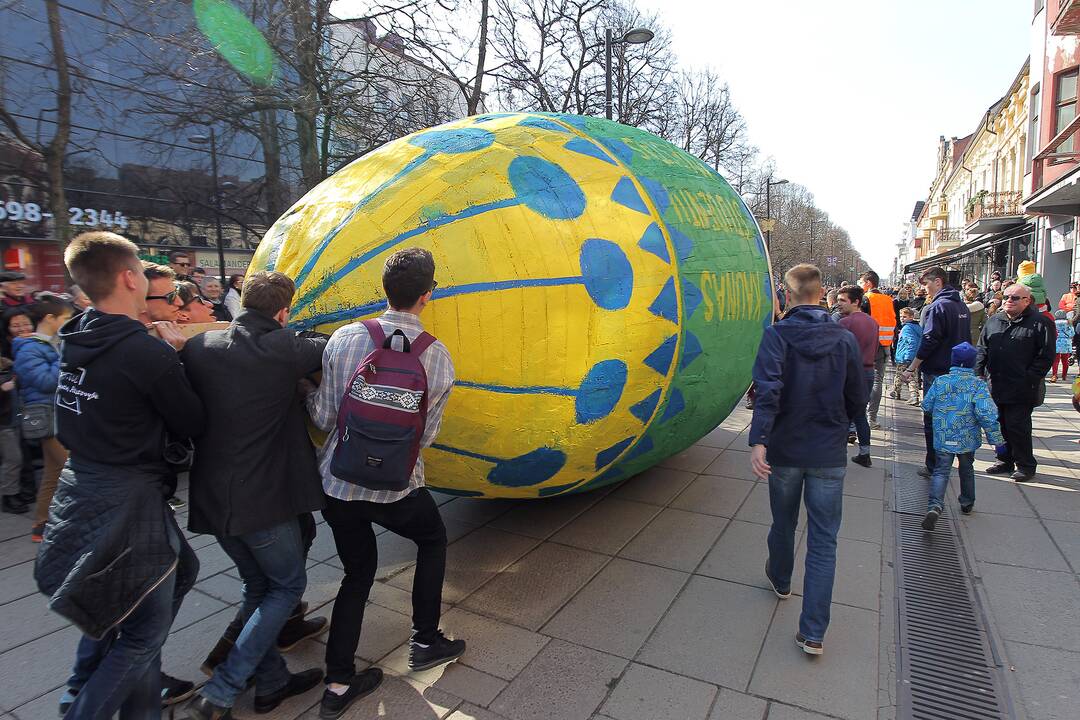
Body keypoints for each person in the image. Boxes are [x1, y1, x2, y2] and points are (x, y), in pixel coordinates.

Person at [34, 231, 204, 719]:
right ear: (130, 278)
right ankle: (82, 710)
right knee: (142, 633)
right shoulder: (145, 353)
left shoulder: (79, 334)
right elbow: (193, 422)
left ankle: (122, 703)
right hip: (126, 498)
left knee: (173, 577)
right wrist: (176, 359)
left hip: (85, 481)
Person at [308, 248, 462, 717]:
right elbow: (426, 436)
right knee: (432, 541)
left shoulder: (345, 339)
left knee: (358, 573)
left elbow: (323, 416)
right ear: (426, 295)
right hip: (398, 487)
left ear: (384, 290)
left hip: (338, 483)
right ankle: (426, 640)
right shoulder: (437, 356)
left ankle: (337, 683)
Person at [180, 271, 327, 718]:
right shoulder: (285, 347)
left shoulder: (199, 348)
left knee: (258, 587)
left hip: (211, 497)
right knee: (286, 586)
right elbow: (329, 347)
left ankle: (272, 683)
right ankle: (221, 690)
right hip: (260, 500)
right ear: (283, 312)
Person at [749, 264, 864, 657]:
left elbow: (767, 391)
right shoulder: (844, 338)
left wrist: (759, 440)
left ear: (788, 292)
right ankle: (813, 632)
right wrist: (845, 426)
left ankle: (781, 579)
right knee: (824, 542)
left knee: (783, 521)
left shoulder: (776, 335)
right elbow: (857, 395)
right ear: (821, 295)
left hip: (785, 448)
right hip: (828, 452)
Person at [976, 284, 1056, 482]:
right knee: (998, 426)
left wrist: (1030, 377)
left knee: (1017, 426)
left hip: (1022, 387)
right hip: (995, 384)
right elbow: (982, 348)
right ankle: (1004, 459)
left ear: (1027, 301)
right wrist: (978, 373)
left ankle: (1025, 465)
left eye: (1015, 298)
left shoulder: (1039, 322)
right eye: (1006, 297)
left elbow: (1046, 356)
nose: (1009, 301)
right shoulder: (995, 320)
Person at [920, 342, 1004, 529]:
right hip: (967, 438)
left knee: (941, 471)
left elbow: (927, 405)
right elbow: (987, 414)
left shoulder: (941, 381)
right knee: (966, 469)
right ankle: (967, 502)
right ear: (973, 363)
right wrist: (996, 440)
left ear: (952, 361)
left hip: (943, 435)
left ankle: (934, 506)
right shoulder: (977, 385)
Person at [900, 267, 971, 478]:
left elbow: (929, 340)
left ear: (938, 282)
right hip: (958, 371)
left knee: (932, 420)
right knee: (951, 419)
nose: (925, 288)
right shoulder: (961, 306)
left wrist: (912, 367)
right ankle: (947, 463)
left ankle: (935, 466)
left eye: (926, 284)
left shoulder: (937, 307)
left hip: (937, 371)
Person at [13, 294, 73, 542]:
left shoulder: (51, 344)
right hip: (48, 417)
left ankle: (41, 524)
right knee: (72, 470)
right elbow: (46, 382)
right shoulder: (29, 348)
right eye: (65, 318)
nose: (68, 323)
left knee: (53, 473)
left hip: (56, 414)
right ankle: (67, 523)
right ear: (50, 318)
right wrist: (66, 355)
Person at [837, 285, 879, 468]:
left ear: (855, 302)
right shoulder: (873, 322)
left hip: (849, 373)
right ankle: (865, 453)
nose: (838, 304)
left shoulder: (845, 323)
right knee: (860, 414)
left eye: (842, 300)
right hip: (868, 372)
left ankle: (839, 455)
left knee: (841, 413)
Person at [858, 270, 893, 429]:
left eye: (862, 282)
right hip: (885, 343)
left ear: (869, 283)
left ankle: (861, 417)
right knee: (878, 380)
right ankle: (872, 418)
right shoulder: (888, 299)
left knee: (863, 380)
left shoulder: (867, 299)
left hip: (869, 343)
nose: (861, 285)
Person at [0, 353, 23, 514]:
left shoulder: (8, 366)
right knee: (13, 459)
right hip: (4, 424)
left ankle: (13, 493)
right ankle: (9, 496)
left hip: (14, 419)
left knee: (15, 459)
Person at [890, 307, 922, 404]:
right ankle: (912, 395)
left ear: (911, 317)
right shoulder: (917, 328)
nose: (902, 319)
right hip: (913, 356)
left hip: (905, 356)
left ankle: (898, 392)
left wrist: (908, 356)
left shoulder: (907, 328)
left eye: (904, 317)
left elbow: (911, 343)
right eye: (901, 317)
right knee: (912, 376)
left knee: (900, 375)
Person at [1053, 310, 1076, 383]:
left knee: (1055, 360)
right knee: (1065, 360)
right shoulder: (1068, 323)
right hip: (1066, 343)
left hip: (1056, 342)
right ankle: (1064, 375)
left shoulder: (1054, 323)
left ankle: (1054, 375)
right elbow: (1072, 333)